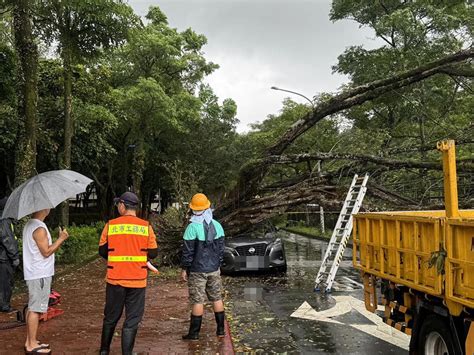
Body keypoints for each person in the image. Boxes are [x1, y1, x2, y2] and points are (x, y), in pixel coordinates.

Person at [98, 192, 158, 355]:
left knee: (110, 317)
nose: (118, 207)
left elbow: (102, 251)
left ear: (123, 205)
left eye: (118, 204)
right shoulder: (145, 227)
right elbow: (153, 253)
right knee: (132, 320)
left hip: (115, 279)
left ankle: (104, 351)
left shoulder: (110, 225)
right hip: (137, 280)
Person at [23, 208, 69, 354]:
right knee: (36, 309)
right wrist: (61, 238)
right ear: (43, 208)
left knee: (32, 307)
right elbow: (46, 252)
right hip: (39, 274)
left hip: (35, 273)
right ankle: (31, 345)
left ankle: (30, 340)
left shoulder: (30, 224)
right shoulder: (39, 228)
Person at [181, 193, 226, 340]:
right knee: (217, 298)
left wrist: (185, 268)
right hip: (214, 269)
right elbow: (221, 250)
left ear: (193, 209)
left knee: (198, 300)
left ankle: (194, 334)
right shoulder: (217, 225)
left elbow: (188, 252)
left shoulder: (191, 227)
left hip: (197, 271)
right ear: (208, 206)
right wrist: (218, 264)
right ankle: (220, 331)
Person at [0, 197, 20, 313]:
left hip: (3, 257)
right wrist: (15, 256)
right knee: (5, 283)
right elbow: (7, 240)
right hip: (4, 258)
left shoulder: (4, 219)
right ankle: (4, 306)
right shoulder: (4, 220)